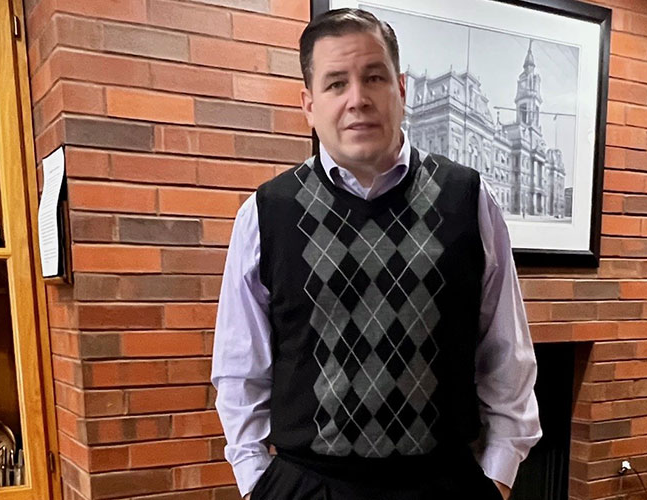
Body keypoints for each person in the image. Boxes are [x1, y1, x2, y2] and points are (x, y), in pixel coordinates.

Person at [210, 8, 541, 500]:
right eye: (335, 84)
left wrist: (497, 476)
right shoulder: (264, 215)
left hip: (443, 483)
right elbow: (240, 370)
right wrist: (257, 483)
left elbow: (506, 355)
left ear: (401, 89)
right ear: (309, 104)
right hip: (308, 485)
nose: (357, 99)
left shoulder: (468, 200)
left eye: (374, 77)